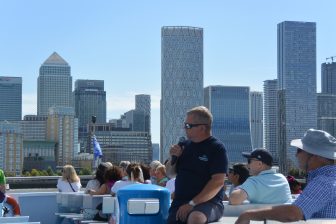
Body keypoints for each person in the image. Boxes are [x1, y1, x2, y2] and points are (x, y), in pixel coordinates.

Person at [235, 129, 336, 224]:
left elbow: (293, 214)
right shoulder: (330, 178)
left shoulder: (323, 182)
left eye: (299, 150)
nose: (296, 155)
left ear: (315, 155)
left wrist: (248, 214)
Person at [167, 106, 228, 224]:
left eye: (188, 126)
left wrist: (192, 203)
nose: (184, 128)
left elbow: (218, 181)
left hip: (208, 203)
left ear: (202, 128)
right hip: (180, 204)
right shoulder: (183, 146)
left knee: (195, 218)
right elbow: (170, 174)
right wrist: (173, 158)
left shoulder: (216, 148)